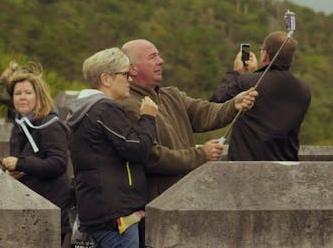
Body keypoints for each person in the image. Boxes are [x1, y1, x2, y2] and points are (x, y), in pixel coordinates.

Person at [120, 39, 258, 201]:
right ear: (133, 69)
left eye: (158, 56)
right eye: (152, 57)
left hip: (184, 197)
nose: (161, 61)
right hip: (158, 203)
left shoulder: (171, 95)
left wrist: (234, 104)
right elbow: (152, 157)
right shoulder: (127, 105)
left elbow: (204, 112)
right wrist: (200, 155)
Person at [66, 48, 158, 248]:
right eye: (125, 74)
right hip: (115, 216)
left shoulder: (84, 110)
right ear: (106, 79)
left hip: (97, 210)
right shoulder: (104, 108)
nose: (130, 80)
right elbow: (138, 149)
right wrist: (148, 117)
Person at [0, 62, 74, 247]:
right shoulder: (19, 126)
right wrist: (11, 170)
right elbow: (20, 161)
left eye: (28, 93)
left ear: (39, 95)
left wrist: (20, 164)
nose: (22, 98)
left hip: (52, 209)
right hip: (29, 209)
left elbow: (57, 164)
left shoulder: (50, 125)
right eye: (17, 94)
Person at [210, 31, 311, 161]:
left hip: (246, 165)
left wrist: (235, 73)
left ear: (264, 55)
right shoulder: (304, 89)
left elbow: (215, 103)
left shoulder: (247, 82)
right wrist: (253, 74)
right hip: (286, 165)